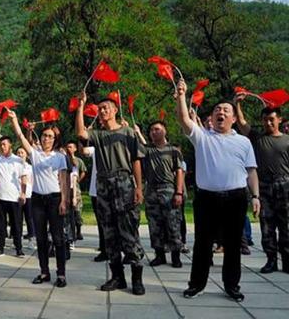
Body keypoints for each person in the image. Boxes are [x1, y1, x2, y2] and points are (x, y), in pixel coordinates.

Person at [174, 80, 260, 302]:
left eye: (226, 110)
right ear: (211, 118)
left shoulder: (244, 142)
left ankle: (232, 286)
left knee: (233, 245)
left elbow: (251, 171)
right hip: (207, 199)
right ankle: (196, 284)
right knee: (203, 244)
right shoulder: (202, 138)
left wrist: (256, 196)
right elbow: (184, 120)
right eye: (217, 110)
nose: (221, 113)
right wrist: (182, 95)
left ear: (233, 118)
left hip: (236, 198)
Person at [75, 92, 146, 295]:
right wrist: (81, 106)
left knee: (129, 231)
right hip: (104, 185)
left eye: (106, 107)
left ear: (115, 110)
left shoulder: (128, 133)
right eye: (100, 108)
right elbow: (81, 132)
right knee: (109, 232)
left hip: (124, 182)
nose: (103, 111)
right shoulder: (98, 135)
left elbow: (136, 161)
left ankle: (137, 278)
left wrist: (139, 188)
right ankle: (117, 277)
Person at [10, 110, 69, 288]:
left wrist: (64, 200)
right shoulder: (34, 154)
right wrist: (14, 119)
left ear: (55, 139)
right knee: (41, 239)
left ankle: (61, 274)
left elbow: (64, 180)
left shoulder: (60, 157)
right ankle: (44, 272)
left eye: (50, 136)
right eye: (44, 136)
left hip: (54, 199)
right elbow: (20, 135)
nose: (46, 139)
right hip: (37, 200)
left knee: (58, 238)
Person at [235, 94, 289, 274]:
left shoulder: (287, 140)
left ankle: (287, 260)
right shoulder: (257, 138)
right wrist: (237, 104)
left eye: (272, 120)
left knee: (286, 225)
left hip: (285, 185)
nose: (268, 123)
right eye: (265, 120)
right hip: (264, 187)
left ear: (279, 120)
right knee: (267, 225)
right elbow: (242, 123)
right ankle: (271, 260)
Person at [135, 122, 185, 268]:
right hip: (151, 190)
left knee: (172, 224)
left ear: (165, 131)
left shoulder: (173, 150)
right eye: (151, 130)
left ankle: (176, 256)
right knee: (154, 225)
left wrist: (179, 192)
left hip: (168, 190)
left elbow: (179, 172)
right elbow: (134, 149)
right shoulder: (146, 150)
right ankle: (159, 255)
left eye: (157, 129)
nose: (153, 132)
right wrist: (135, 132)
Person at [0, 123, 27, 258]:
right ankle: (0, 248)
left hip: (14, 198)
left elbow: (23, 178)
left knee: (16, 225)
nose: (2, 146)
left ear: (10, 145)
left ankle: (19, 248)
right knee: (0, 225)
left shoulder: (18, 160)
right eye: (1, 144)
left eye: (5, 144)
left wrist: (23, 193)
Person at [16, 146, 35, 250]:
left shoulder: (30, 168)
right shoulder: (14, 166)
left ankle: (31, 239)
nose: (20, 154)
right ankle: (17, 241)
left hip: (28, 195)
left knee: (29, 218)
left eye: (22, 153)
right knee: (18, 219)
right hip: (16, 196)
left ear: (26, 155)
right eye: (18, 153)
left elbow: (32, 181)